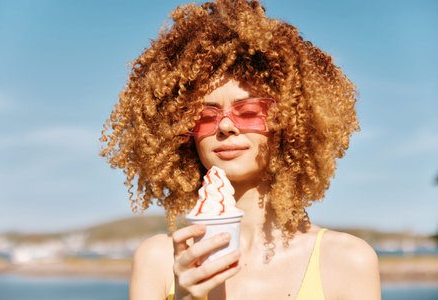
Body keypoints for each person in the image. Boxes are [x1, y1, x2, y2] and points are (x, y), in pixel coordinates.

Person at [100, 0, 381, 299]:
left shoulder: (348, 261)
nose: (225, 127)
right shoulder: (158, 260)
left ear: (289, 121)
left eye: (248, 111)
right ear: (182, 133)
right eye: (204, 116)